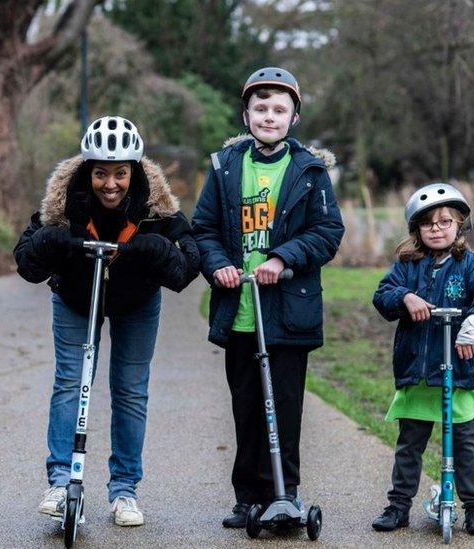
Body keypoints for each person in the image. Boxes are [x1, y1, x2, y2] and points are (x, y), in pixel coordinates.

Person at [15, 115, 200, 527]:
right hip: (77, 300)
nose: (110, 184)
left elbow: (188, 267)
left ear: (134, 171)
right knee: (70, 381)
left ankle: (124, 490)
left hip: (137, 302)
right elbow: (26, 261)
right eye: (101, 173)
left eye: (120, 173)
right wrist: (52, 241)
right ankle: (61, 483)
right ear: (88, 170)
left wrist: (155, 249)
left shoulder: (155, 205)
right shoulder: (65, 200)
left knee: (131, 391)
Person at [191, 67, 345, 528]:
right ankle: (248, 497)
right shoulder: (224, 168)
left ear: (294, 117)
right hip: (240, 309)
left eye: (279, 109)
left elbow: (327, 232)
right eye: (261, 109)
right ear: (246, 114)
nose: (269, 116)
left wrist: (282, 257)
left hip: (287, 311)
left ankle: (284, 493)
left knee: (284, 406)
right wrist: (217, 264)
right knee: (247, 408)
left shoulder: (310, 172)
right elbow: (204, 229)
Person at [371, 183, 474, 536]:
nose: (436, 228)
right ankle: (398, 505)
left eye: (445, 221)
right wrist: (406, 297)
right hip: (418, 372)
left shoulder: (470, 265)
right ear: (416, 229)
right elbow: (383, 295)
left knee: (465, 444)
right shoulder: (407, 265)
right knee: (409, 445)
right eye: (428, 223)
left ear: (459, 225)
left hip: (458, 373)